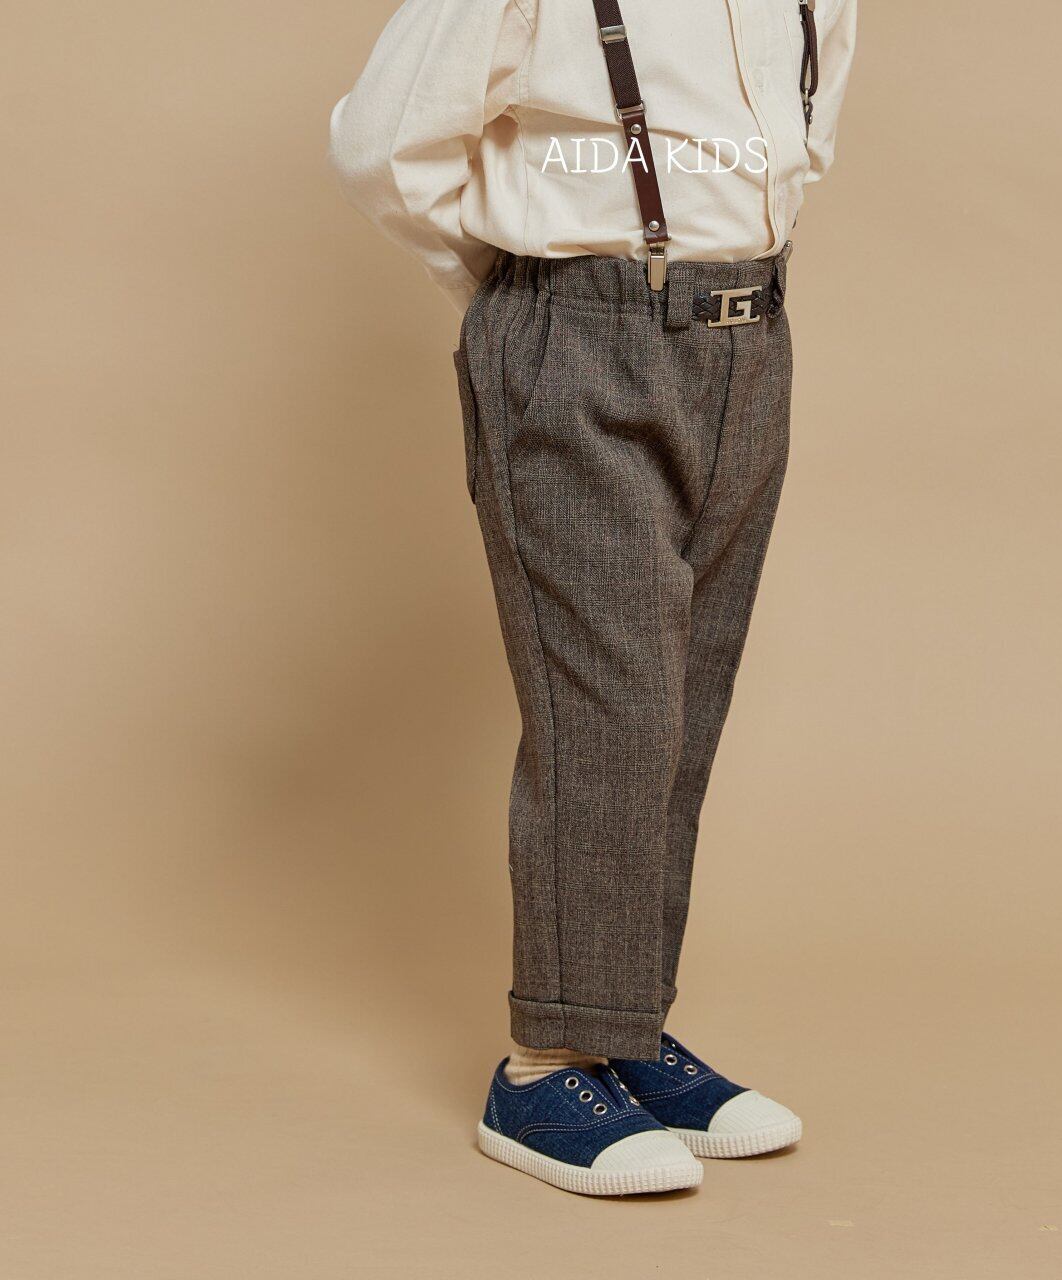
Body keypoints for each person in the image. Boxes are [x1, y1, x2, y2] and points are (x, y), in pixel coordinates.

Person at [329, 0, 858, 1196]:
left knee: (683, 702)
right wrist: (526, 295)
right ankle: (542, 1066)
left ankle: (620, 1026)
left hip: (747, 338)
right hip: (578, 331)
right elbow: (380, 145)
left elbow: (798, 136)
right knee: (610, 706)